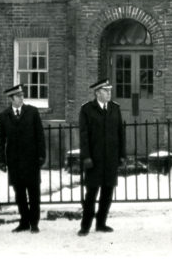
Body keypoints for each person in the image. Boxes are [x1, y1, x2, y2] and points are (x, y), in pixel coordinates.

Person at [77, 78, 125, 236]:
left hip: (110, 159)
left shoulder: (114, 108)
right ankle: (85, 226)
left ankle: (101, 223)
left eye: (110, 90)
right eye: (106, 91)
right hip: (94, 160)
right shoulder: (87, 110)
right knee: (91, 194)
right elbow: (83, 136)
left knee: (107, 193)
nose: (109, 93)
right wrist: (86, 157)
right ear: (97, 93)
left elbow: (120, 133)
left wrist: (122, 155)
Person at [0, 84, 46, 233]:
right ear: (11, 99)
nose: (21, 98)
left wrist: (42, 155)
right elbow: (0, 140)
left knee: (34, 193)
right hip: (15, 162)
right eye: (18, 96)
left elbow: (40, 136)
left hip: (31, 160)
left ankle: (34, 223)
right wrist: (1, 160)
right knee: (19, 194)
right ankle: (24, 221)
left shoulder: (32, 112)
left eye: (22, 96)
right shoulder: (4, 116)